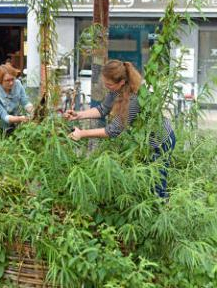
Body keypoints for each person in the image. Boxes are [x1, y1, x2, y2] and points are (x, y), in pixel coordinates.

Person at [64, 60, 175, 198]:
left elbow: (113, 130)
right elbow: (103, 109)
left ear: (121, 82)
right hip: (143, 141)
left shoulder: (134, 98)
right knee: (143, 181)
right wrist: (78, 115)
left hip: (160, 140)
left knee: (156, 185)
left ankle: (160, 208)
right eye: (105, 83)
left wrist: (82, 133)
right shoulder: (116, 90)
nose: (107, 87)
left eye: (109, 84)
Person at [0, 65, 33, 133]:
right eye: (7, 80)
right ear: (0, 81)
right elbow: (5, 116)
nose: (11, 83)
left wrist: (33, 111)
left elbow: (24, 101)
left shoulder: (18, 84)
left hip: (12, 119)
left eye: (12, 79)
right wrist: (21, 119)